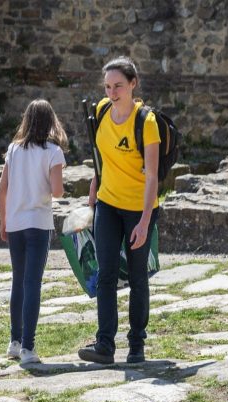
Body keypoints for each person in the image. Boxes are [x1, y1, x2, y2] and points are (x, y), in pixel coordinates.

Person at [79, 56, 162, 365]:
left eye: (118, 86)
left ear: (132, 85)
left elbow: (153, 176)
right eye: (107, 86)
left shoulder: (146, 122)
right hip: (108, 203)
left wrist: (144, 222)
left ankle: (136, 345)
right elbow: (100, 156)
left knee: (139, 277)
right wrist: (94, 187)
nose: (112, 93)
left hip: (139, 208)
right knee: (106, 275)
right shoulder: (100, 111)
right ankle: (104, 345)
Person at [0, 99, 68, 365]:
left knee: (18, 281)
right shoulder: (53, 151)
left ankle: (14, 341)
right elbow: (58, 190)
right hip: (38, 222)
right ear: (51, 122)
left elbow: (2, 189)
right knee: (32, 284)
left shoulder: (14, 149)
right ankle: (29, 346)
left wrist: (4, 220)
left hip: (15, 222)